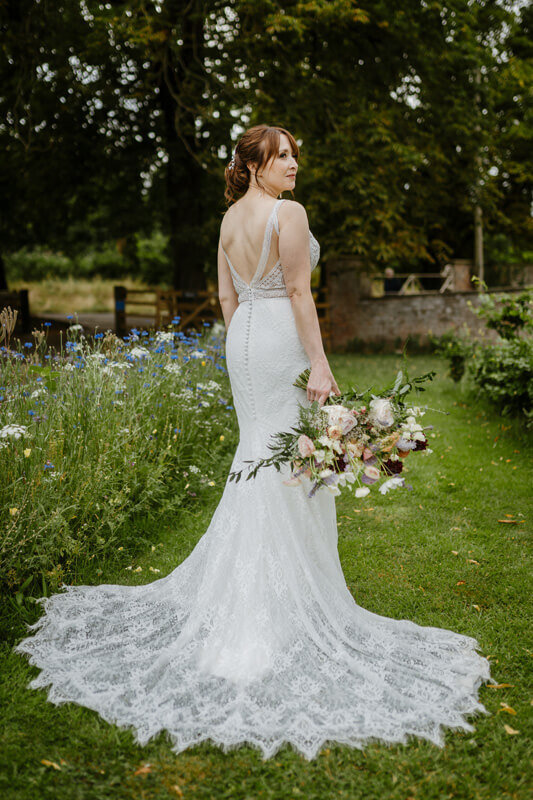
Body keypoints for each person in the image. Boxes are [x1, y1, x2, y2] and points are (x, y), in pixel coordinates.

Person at [14, 124, 494, 760]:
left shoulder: (227, 221)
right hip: (278, 340)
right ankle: (272, 610)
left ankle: (253, 596)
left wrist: (242, 346)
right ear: (253, 166)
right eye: (282, 157)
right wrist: (318, 364)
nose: (294, 165)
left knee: (261, 457)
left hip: (242, 342)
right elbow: (298, 292)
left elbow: (223, 294)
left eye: (295, 154)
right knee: (288, 462)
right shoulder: (286, 215)